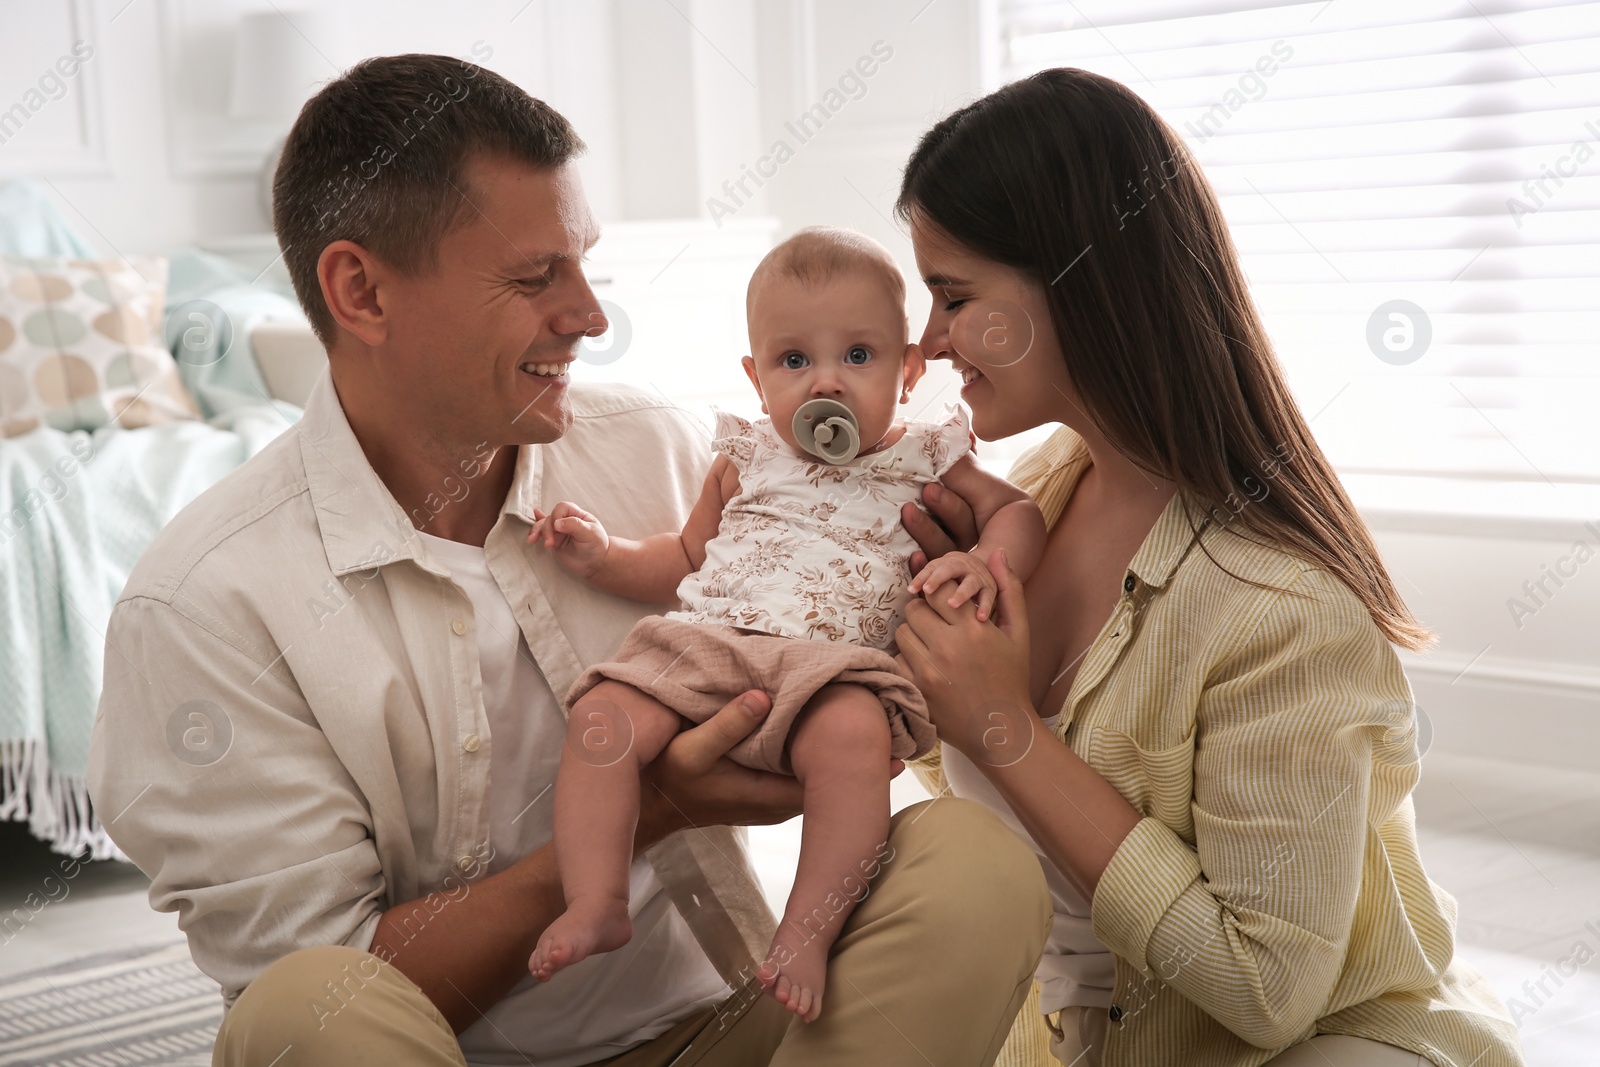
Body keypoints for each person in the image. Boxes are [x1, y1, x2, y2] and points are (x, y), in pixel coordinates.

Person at [86, 55, 1050, 1067]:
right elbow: (332, 995)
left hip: (726, 1031)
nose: (591, 315)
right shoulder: (204, 605)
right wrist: (659, 808)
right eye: (535, 275)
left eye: (584, 263)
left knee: (971, 863)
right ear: (361, 291)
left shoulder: (666, 450)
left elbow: (851, 623)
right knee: (300, 1005)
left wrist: (948, 589)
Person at [890, 68, 1526, 1067]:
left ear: (1075, 281)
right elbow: (970, 791)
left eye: (952, 295)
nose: (925, 342)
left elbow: (1263, 990)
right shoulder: (1038, 492)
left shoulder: (1282, 606)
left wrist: (1006, 727)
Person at [526, 227, 1047, 1024]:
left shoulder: (928, 458)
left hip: (830, 665)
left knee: (854, 743)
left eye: (859, 357)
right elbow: (686, 555)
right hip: (708, 643)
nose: (825, 383)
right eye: (794, 361)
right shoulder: (747, 455)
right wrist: (604, 555)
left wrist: (987, 561)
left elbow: (1017, 511)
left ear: (910, 371)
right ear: (756, 376)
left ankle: (805, 931)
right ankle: (595, 899)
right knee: (602, 717)